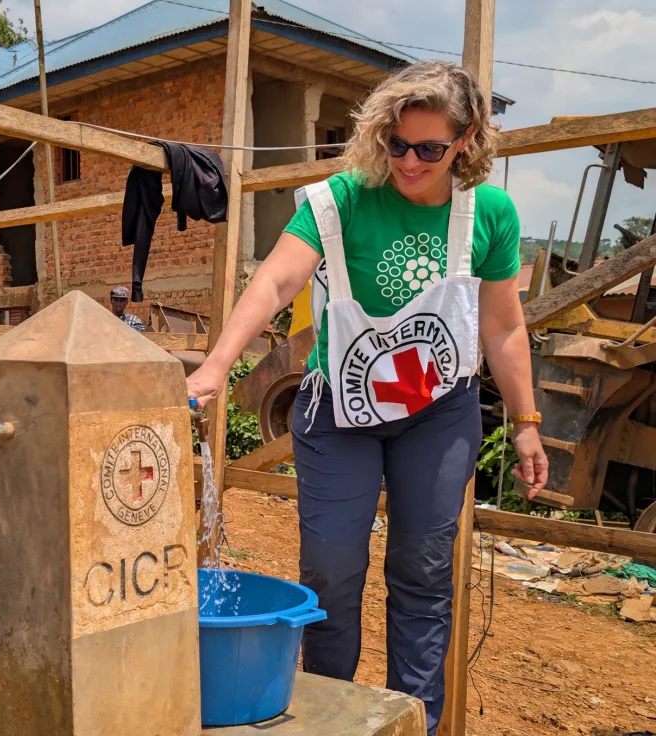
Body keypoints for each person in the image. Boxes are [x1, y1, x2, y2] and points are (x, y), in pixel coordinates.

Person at [187, 61, 548, 735]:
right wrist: (216, 364)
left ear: (465, 140)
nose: (410, 162)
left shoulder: (488, 213)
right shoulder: (342, 199)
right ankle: (330, 714)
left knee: (424, 569)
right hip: (340, 412)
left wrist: (526, 422)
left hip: (439, 412)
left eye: (430, 149)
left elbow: (502, 326)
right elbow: (273, 283)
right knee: (330, 571)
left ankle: (416, 722)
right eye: (397, 145)